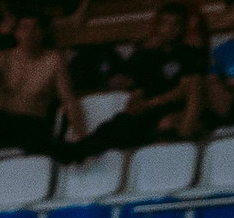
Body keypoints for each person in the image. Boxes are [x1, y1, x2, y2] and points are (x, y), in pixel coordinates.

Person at [63, 5, 205, 157]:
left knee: (135, 125)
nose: (169, 29)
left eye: (175, 24)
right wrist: (135, 99)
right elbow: (132, 82)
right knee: (116, 125)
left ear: (181, 28)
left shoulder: (189, 54)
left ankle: (80, 151)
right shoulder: (147, 54)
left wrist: (150, 104)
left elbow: (186, 90)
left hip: (169, 107)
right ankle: (78, 151)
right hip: (146, 108)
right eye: (165, 23)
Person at [0, 13, 86, 153]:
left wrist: (80, 134)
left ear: (43, 32)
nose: (30, 33)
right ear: (16, 32)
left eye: (36, 28)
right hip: (1, 122)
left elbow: (68, 100)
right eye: (24, 28)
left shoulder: (53, 61)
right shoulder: (2, 58)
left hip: (32, 124)